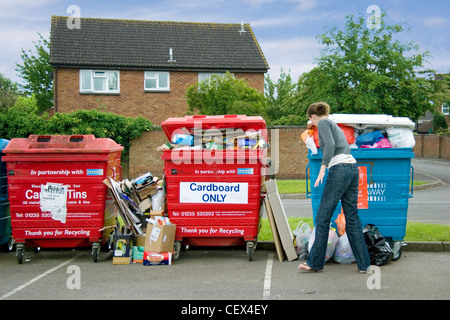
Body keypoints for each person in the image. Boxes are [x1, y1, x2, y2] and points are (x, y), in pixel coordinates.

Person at [298, 102, 370, 273]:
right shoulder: (333, 125)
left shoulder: (322, 123)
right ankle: (364, 264)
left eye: (311, 121)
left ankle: (314, 262)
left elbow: (329, 145)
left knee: (323, 218)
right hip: (352, 169)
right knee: (352, 218)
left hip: (339, 170)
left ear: (313, 116)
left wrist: (323, 167)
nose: (312, 124)